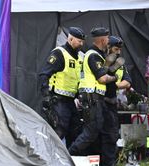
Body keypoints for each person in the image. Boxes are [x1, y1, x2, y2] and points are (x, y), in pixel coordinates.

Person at [68, 27, 119, 157]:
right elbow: (102, 79)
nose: (108, 41)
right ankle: (68, 155)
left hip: (96, 99)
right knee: (90, 133)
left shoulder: (100, 56)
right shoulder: (93, 55)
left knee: (98, 133)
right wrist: (115, 78)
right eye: (107, 39)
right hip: (92, 99)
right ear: (102, 40)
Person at [39, 26, 86, 147]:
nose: (81, 44)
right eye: (79, 41)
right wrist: (46, 96)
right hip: (58, 100)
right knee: (59, 132)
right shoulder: (59, 53)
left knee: (75, 131)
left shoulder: (80, 57)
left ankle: (71, 159)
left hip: (71, 101)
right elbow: (44, 74)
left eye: (82, 41)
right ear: (70, 39)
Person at [101, 35, 131, 166]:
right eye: (115, 49)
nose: (118, 52)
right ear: (108, 48)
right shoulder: (100, 60)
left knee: (112, 136)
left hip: (112, 103)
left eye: (120, 50)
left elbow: (128, 82)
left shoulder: (120, 64)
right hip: (99, 102)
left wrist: (115, 85)